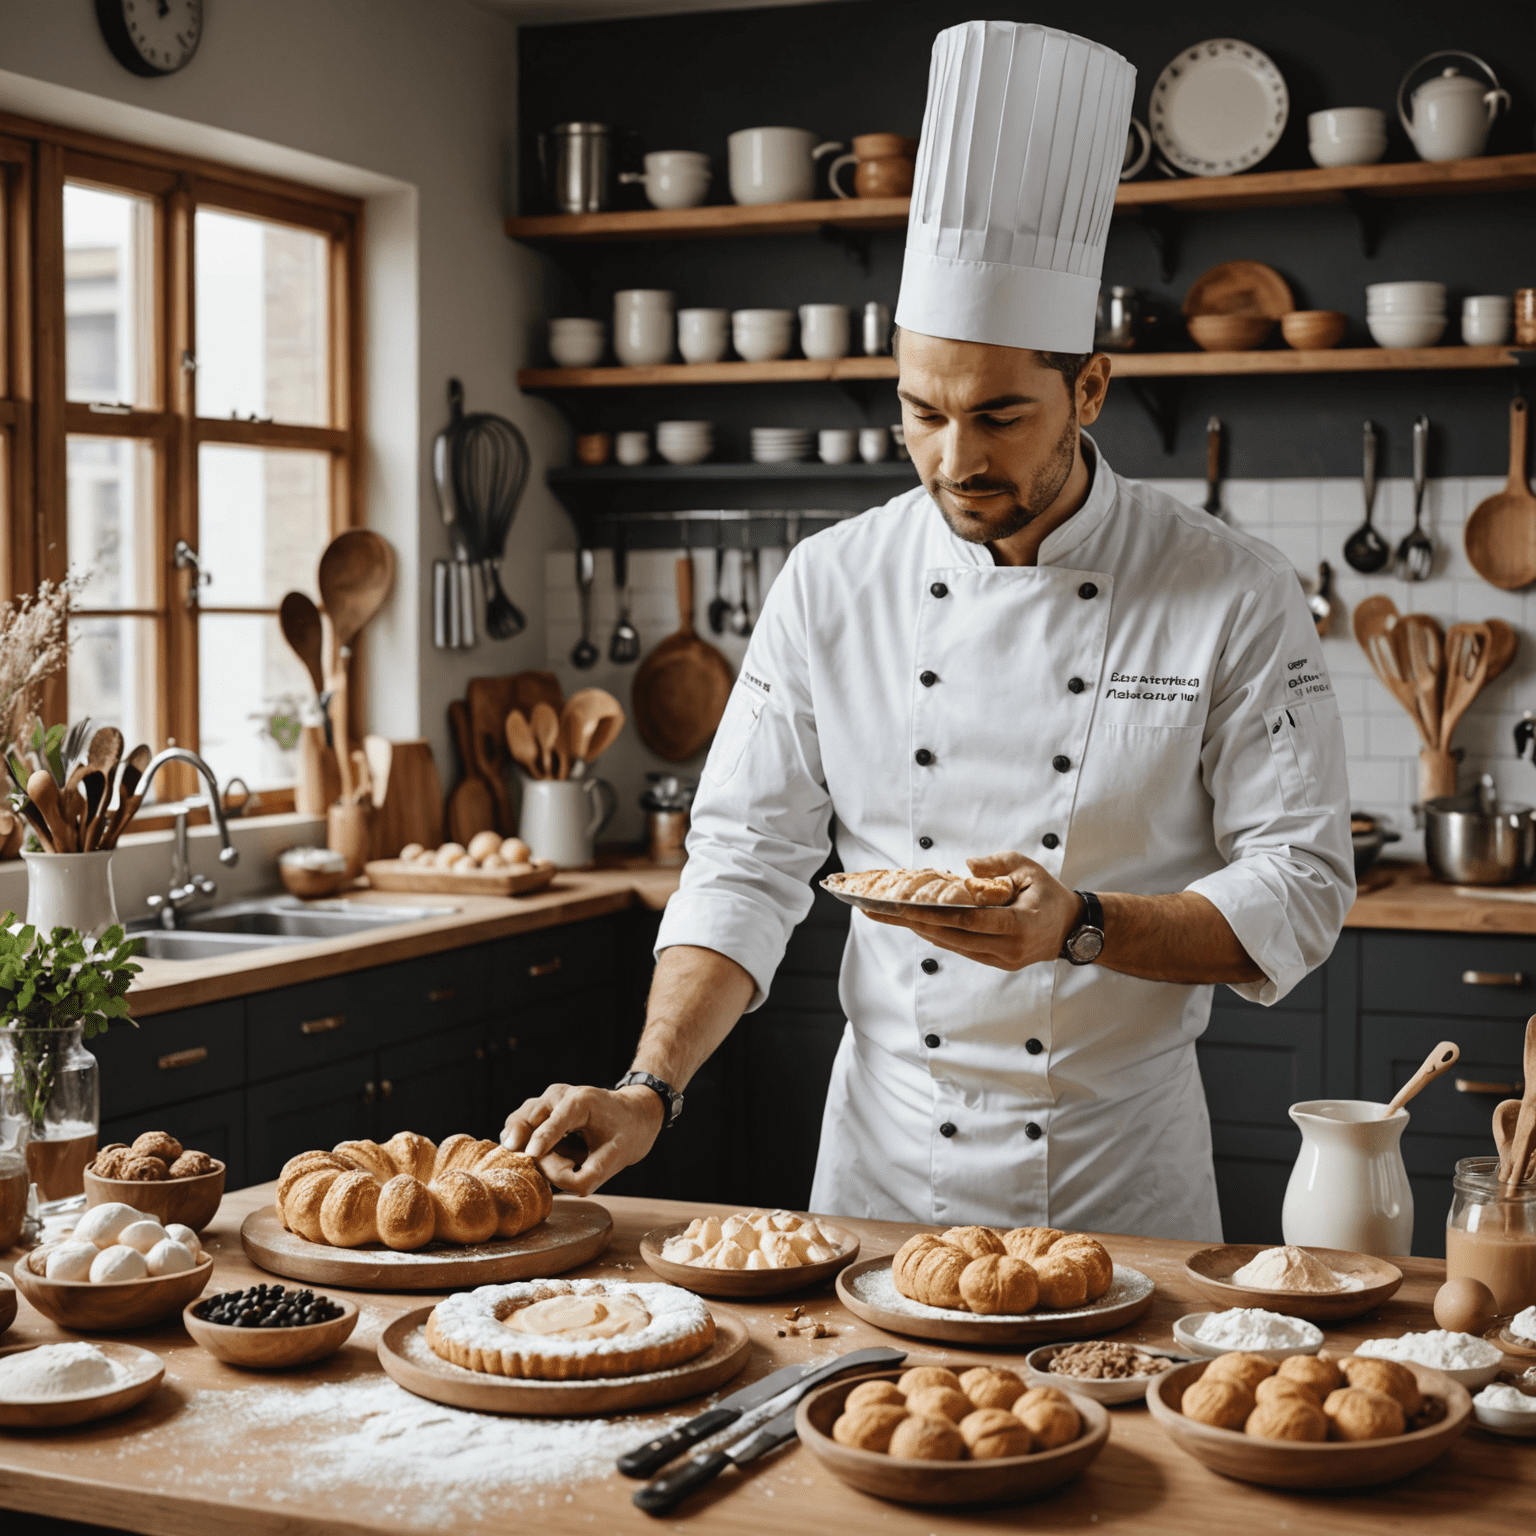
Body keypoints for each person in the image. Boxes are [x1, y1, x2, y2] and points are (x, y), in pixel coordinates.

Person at [503, 21, 1353, 1241]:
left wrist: (1083, 925)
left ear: (1092, 390)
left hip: (1123, 1173)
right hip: (882, 1177)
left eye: (1002, 415)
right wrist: (650, 1085)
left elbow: (1303, 886)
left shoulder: (1230, 589)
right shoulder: (831, 583)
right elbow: (745, 857)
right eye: (922, 414)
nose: (957, 461)